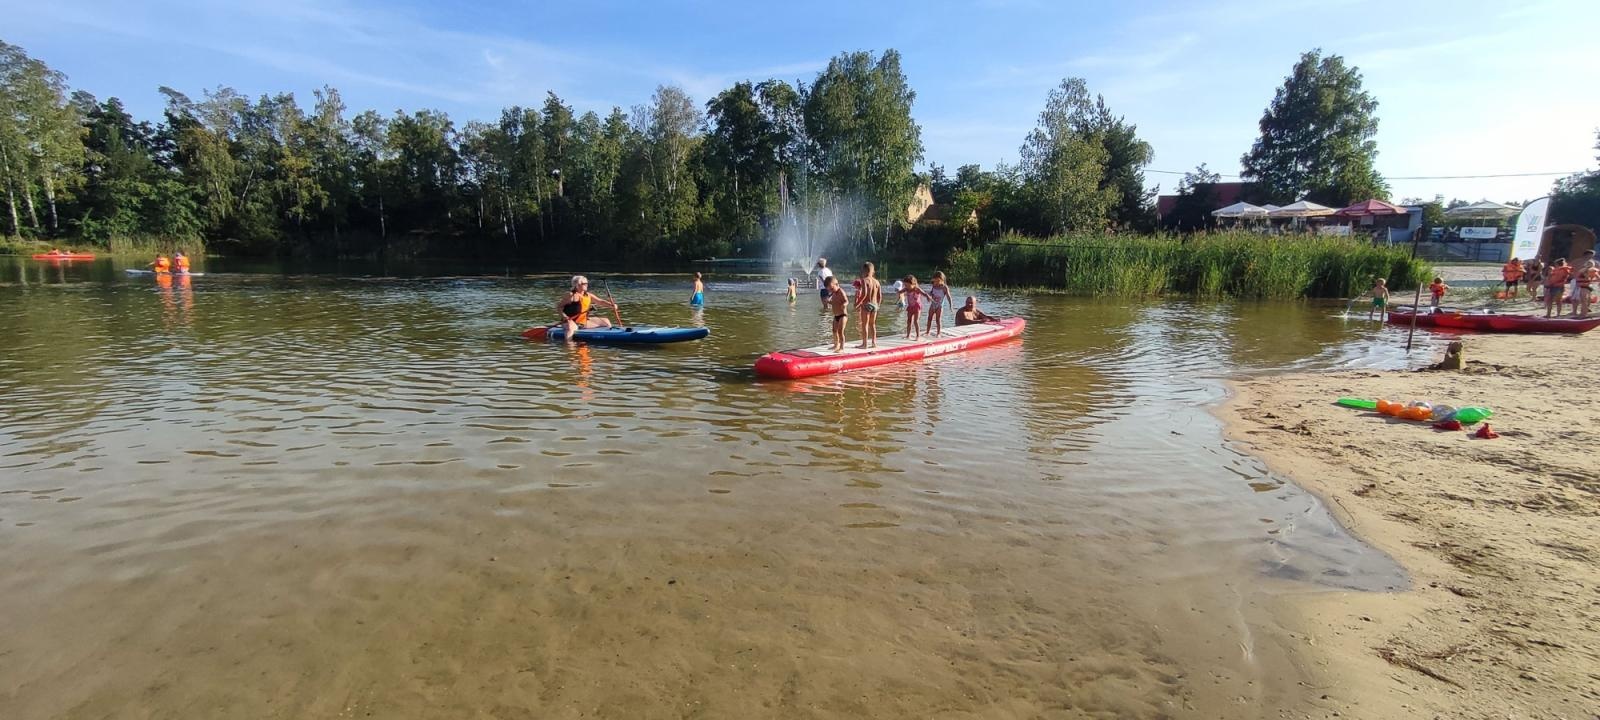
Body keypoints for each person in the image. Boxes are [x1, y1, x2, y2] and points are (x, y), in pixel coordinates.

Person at [556, 275, 617, 341]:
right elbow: (559, 307)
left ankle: (609, 338)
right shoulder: (571, 295)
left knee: (606, 321)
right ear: (577, 285)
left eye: (587, 283)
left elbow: (600, 301)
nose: (586, 285)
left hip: (583, 322)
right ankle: (569, 347)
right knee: (571, 329)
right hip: (570, 321)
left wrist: (611, 305)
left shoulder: (588, 295)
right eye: (584, 284)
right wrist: (564, 316)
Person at [856, 262, 882, 348]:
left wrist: (858, 303)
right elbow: (880, 296)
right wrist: (878, 305)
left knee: (865, 324)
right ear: (873, 271)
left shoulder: (864, 280)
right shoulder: (877, 282)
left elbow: (864, 294)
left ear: (864, 270)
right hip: (875, 305)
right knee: (872, 324)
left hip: (866, 304)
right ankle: (874, 343)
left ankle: (865, 344)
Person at [899, 275, 931, 340]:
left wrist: (928, 296)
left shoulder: (917, 289)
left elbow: (924, 293)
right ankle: (908, 335)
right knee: (909, 321)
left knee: (916, 321)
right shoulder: (906, 289)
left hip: (917, 307)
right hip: (910, 307)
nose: (906, 287)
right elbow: (900, 291)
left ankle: (918, 336)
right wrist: (899, 292)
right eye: (905, 285)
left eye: (908, 285)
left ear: (913, 284)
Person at [924, 271, 955, 336]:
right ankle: (927, 332)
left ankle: (938, 333)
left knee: (938, 320)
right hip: (933, 305)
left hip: (939, 306)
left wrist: (951, 305)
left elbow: (949, 297)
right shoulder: (934, 286)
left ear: (942, 280)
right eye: (935, 281)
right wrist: (928, 295)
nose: (936, 282)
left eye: (938, 281)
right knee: (929, 318)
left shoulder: (944, 287)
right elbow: (931, 293)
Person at [825, 276, 849, 351]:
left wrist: (844, 304)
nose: (831, 290)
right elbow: (835, 303)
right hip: (836, 316)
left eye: (832, 288)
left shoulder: (841, 291)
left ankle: (841, 347)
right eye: (829, 290)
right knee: (834, 330)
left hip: (843, 315)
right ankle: (836, 345)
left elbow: (846, 301)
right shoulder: (834, 294)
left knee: (840, 331)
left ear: (837, 284)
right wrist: (829, 302)